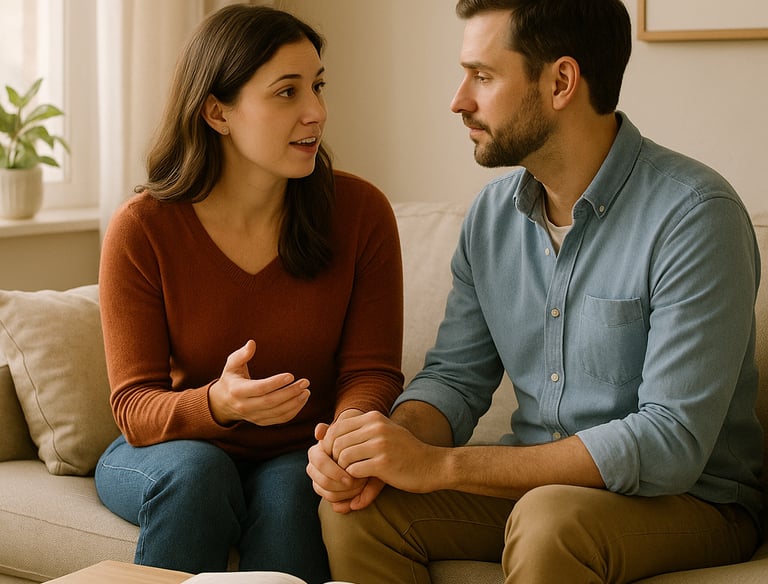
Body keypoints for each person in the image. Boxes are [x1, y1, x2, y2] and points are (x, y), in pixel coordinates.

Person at [308, 0, 764, 582]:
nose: (459, 100)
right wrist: (380, 448)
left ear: (561, 82)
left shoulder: (695, 216)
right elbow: (454, 380)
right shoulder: (491, 218)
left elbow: (669, 442)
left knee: (549, 518)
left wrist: (443, 466)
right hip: (535, 494)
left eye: (483, 75)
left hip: (693, 503)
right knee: (358, 512)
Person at [94, 5, 404, 583]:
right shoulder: (143, 228)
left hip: (295, 454)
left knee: (294, 496)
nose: (316, 111)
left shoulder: (360, 214)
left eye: (317, 86)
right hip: (168, 452)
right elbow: (134, 409)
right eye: (287, 92)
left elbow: (373, 370)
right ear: (217, 112)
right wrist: (219, 404)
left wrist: (343, 439)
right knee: (198, 474)